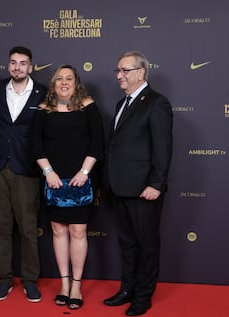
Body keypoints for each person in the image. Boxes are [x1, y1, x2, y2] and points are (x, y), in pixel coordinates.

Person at [103, 51, 173, 316]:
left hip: (145, 190)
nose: (119, 75)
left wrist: (156, 184)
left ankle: (143, 297)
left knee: (147, 245)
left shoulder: (156, 103)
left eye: (125, 70)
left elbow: (163, 149)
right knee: (128, 244)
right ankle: (127, 290)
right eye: (117, 70)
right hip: (119, 188)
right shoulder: (123, 104)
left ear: (141, 72)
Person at [30, 64, 104, 309]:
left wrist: (84, 172)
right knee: (59, 230)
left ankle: (76, 285)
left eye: (69, 78)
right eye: (59, 78)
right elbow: (35, 145)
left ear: (76, 83)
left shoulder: (88, 105)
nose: (64, 82)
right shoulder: (43, 109)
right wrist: (48, 171)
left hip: (81, 180)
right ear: (53, 83)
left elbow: (97, 143)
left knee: (78, 232)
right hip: (52, 180)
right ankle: (64, 283)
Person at [0, 46, 47, 302]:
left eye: (23, 63)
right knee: (0, 227)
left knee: (27, 228)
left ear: (30, 67)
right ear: (8, 65)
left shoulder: (43, 93)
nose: (17, 67)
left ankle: (30, 280)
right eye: (13, 62)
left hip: (28, 168)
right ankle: (4, 278)